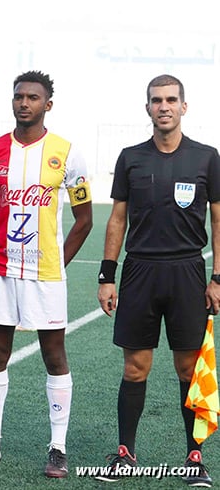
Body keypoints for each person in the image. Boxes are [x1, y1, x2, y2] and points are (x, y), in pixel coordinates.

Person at [0, 71, 93, 478]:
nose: (24, 103)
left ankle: (58, 448)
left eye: (33, 97)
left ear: (47, 104)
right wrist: (3, 245)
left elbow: (84, 220)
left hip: (46, 274)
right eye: (19, 96)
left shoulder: (66, 153)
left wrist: (56, 262)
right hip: (1, 270)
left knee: (54, 356)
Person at [96, 74, 220, 486]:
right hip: (140, 272)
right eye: (156, 100)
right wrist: (107, 275)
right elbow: (117, 219)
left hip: (187, 272)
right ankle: (125, 454)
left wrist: (218, 277)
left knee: (188, 370)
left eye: (170, 100)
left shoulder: (206, 158)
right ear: (147, 107)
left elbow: (219, 221)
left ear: (184, 106)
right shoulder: (130, 158)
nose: (163, 106)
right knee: (135, 368)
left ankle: (194, 457)